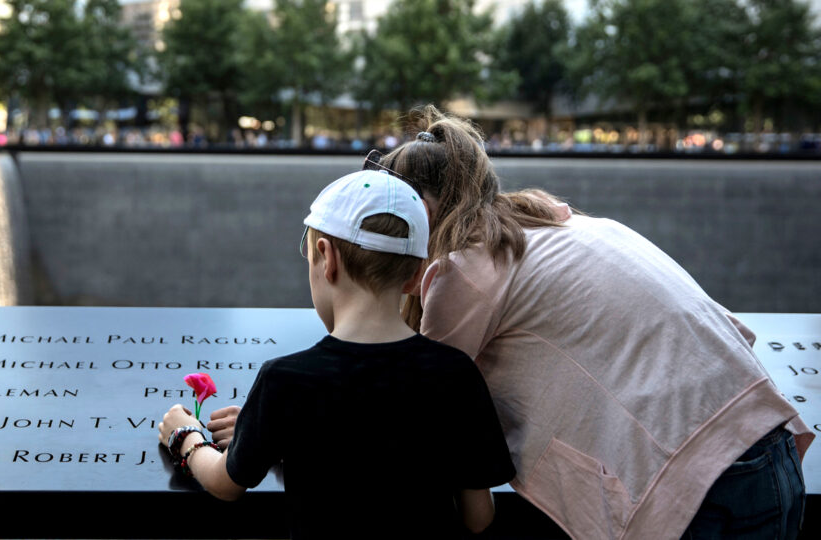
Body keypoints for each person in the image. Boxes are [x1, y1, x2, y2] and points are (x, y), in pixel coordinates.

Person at [371, 105, 813, 540]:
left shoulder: (466, 270)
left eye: (391, 218)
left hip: (697, 489)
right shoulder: (573, 227)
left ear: (424, 212)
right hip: (768, 446)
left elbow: (418, 410)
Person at [158, 169, 515, 539]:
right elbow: (478, 517)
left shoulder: (286, 379)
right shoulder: (456, 374)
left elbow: (224, 483)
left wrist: (186, 437)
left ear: (326, 258)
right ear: (415, 276)